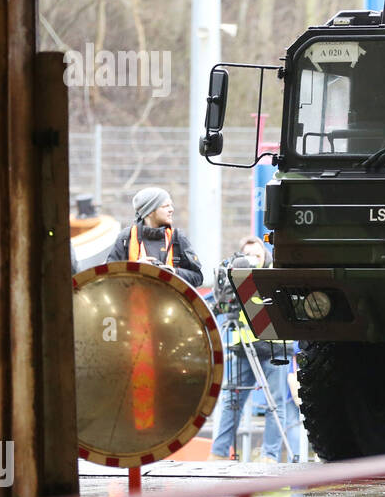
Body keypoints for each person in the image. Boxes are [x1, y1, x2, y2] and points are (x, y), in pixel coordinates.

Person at [209, 237, 302, 463]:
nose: (253, 261)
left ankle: (269, 456)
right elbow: (221, 304)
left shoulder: (274, 277)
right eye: (247, 256)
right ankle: (219, 453)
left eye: (257, 256)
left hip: (274, 347)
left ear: (265, 257)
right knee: (233, 400)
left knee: (276, 404)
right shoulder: (236, 278)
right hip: (244, 347)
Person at [106, 186, 204, 287]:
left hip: (169, 301)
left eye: (171, 205)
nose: (171, 210)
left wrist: (173, 272)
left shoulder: (177, 238)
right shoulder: (126, 237)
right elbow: (108, 277)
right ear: (150, 212)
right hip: (132, 301)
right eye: (165, 206)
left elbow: (198, 278)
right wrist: (135, 268)